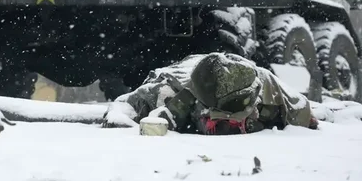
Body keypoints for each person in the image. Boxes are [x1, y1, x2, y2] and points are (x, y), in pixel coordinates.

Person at [103, 52, 318, 134]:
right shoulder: (170, 92)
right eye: (216, 124)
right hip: (185, 67)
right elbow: (123, 106)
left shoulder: (270, 87)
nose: (224, 128)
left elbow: (305, 114)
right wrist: (126, 121)